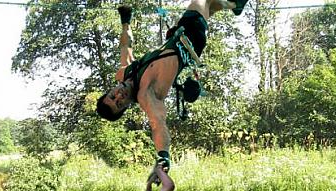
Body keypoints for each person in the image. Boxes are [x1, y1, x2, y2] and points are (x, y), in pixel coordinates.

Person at [97, 0, 248, 181]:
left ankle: (234, 6)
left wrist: (125, 21)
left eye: (112, 96)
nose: (119, 96)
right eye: (119, 103)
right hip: (190, 41)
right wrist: (163, 158)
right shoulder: (146, 95)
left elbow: (125, 46)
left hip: (179, 36)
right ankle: (234, 5)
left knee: (211, 5)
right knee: (203, 1)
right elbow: (157, 123)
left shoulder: (124, 72)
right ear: (125, 107)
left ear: (110, 90)